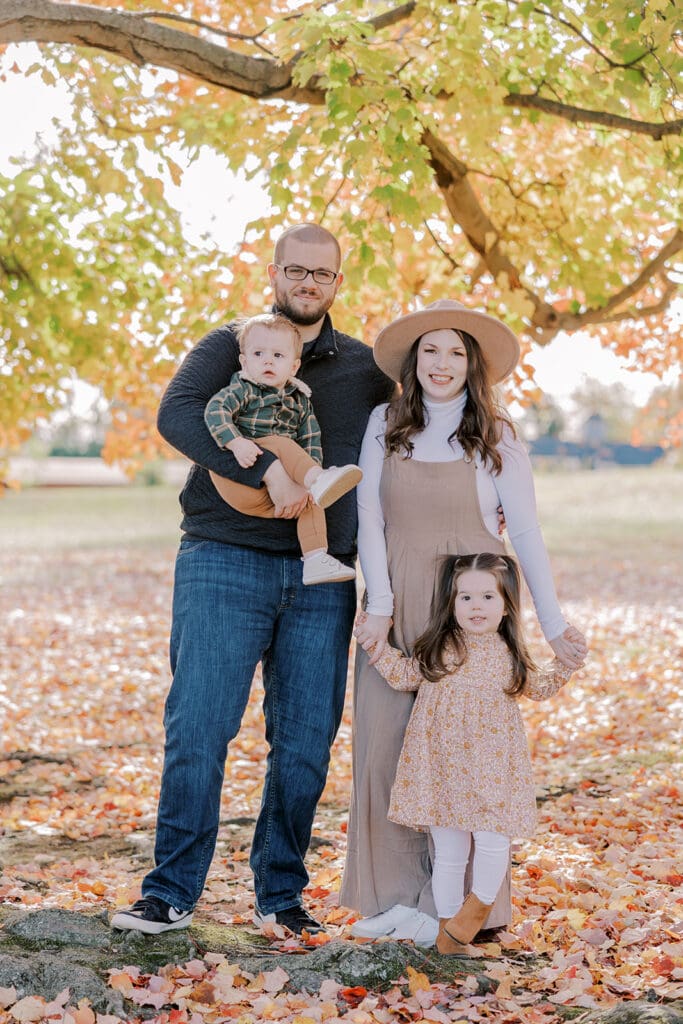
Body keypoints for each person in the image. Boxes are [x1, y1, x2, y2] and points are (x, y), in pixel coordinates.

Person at [110, 224, 393, 936]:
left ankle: (279, 895)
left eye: (321, 274)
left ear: (337, 282)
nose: (307, 283)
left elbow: (419, 425)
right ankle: (170, 892)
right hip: (221, 557)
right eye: (296, 270)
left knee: (303, 743)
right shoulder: (232, 344)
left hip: (322, 572)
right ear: (274, 272)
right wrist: (262, 467)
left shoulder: (362, 368)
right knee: (199, 727)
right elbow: (176, 415)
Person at [341, 299, 587, 945]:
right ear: (413, 361)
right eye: (429, 350)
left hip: (468, 605)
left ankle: (449, 914)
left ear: (471, 364)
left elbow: (525, 529)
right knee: (384, 753)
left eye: (455, 352)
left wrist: (553, 624)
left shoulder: (496, 434)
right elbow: (368, 515)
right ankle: (395, 899)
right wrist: (380, 605)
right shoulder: (382, 421)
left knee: (465, 766)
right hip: (397, 599)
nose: (441, 363)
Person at [358, 552, 576, 954]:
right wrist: (376, 645)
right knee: (450, 853)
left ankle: (474, 913)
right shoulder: (439, 647)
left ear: (507, 606)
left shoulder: (509, 655)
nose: (477, 606)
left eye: (488, 597)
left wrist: (565, 664)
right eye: (466, 598)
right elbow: (404, 675)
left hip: (491, 767)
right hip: (441, 765)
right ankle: (448, 934)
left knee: (493, 840)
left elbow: (539, 689)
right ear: (451, 603)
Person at [204, 312, 362, 585]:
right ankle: (317, 478)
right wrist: (235, 441)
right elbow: (215, 411)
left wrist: (306, 482)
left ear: (293, 366)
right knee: (281, 443)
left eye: (278, 356)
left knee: (313, 499)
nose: (267, 360)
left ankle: (315, 559)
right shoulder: (243, 389)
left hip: (275, 500)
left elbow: (311, 439)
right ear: (244, 361)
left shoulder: (300, 401)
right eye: (258, 354)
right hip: (238, 478)